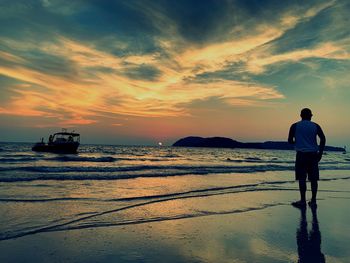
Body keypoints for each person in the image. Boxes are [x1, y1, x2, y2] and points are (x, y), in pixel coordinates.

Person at [288, 108, 326, 208]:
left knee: (302, 178)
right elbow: (323, 138)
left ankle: (303, 201)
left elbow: (290, 141)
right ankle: (313, 201)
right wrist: (320, 153)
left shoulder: (294, 126)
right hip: (313, 155)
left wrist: (298, 142)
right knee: (314, 179)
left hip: (301, 155)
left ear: (301, 115)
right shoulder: (316, 126)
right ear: (310, 116)